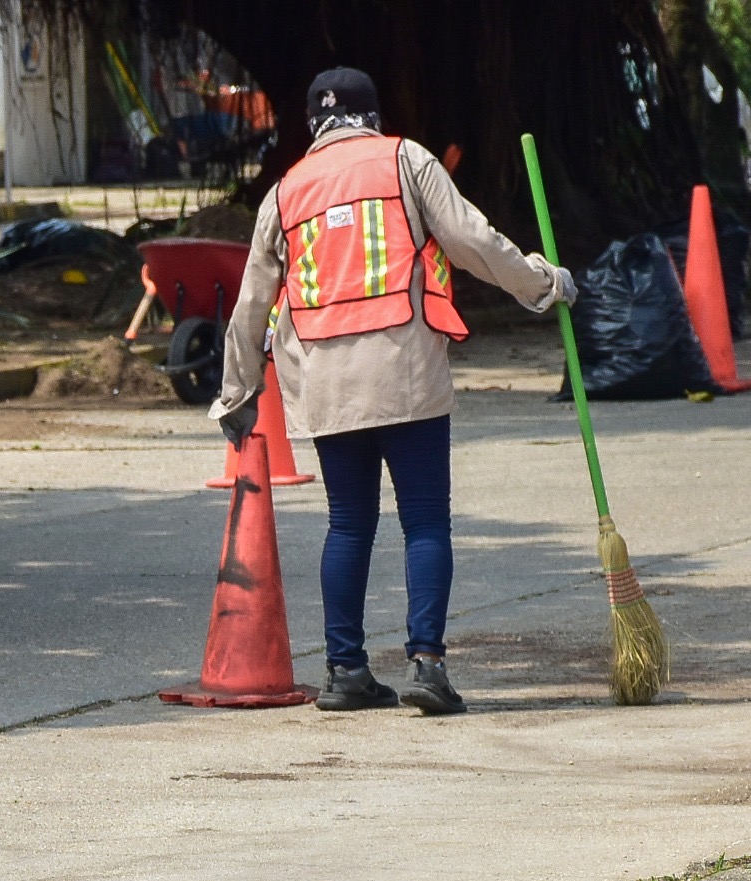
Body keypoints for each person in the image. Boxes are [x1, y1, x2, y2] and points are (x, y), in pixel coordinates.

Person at [212, 67, 576, 715]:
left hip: (325, 383)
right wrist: (541, 284)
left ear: (313, 123)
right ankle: (427, 668)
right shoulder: (406, 160)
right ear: (372, 116)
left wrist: (236, 395)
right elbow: (471, 241)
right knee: (425, 520)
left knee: (348, 524)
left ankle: (345, 671)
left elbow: (250, 302)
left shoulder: (286, 191)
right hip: (406, 371)